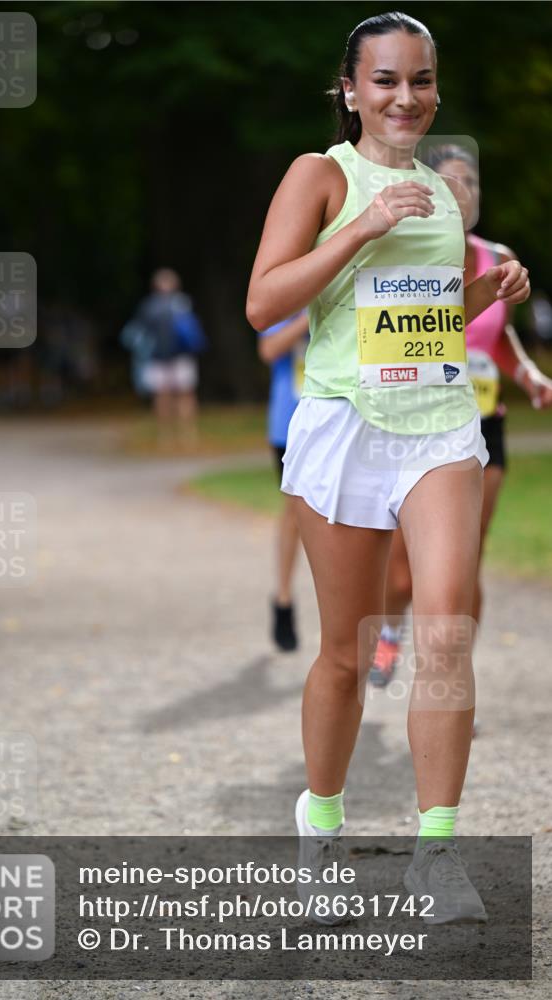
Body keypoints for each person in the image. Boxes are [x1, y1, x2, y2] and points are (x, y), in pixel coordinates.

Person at [246, 12, 530, 924]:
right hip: (342, 424)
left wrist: (485, 293)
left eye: (420, 80)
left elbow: (418, 315)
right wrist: (361, 224)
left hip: (439, 426)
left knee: (442, 634)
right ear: (349, 88)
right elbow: (263, 303)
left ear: (435, 86)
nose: (404, 98)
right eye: (384, 80)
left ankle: (435, 853)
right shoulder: (320, 175)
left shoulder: (442, 197)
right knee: (341, 652)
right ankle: (319, 820)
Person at [370, 146, 552, 689]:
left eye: (467, 179)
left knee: (465, 560)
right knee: (402, 571)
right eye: (446, 179)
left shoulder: (498, 258)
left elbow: (499, 337)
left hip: (482, 423)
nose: (458, 188)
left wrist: (529, 377)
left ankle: (451, 674)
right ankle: (389, 629)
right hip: (418, 423)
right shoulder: (406, 254)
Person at [258, 311, 309, 651]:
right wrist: (311, 315)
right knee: (296, 511)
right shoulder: (293, 296)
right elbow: (269, 349)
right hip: (290, 422)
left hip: (346, 416)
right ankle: (284, 598)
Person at [123, 268, 205, 450]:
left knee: (176, 395)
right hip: (169, 357)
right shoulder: (180, 303)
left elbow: (136, 333)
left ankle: (178, 435)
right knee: (170, 395)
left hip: (166, 357)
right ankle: (177, 435)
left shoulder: (152, 305)